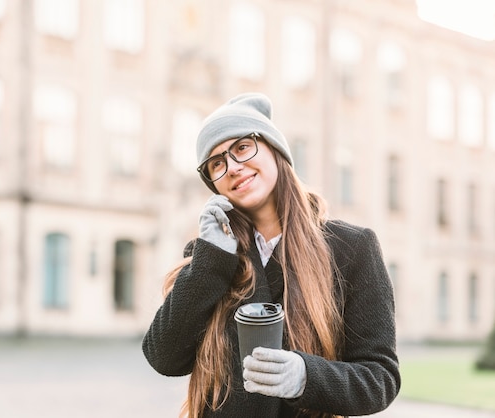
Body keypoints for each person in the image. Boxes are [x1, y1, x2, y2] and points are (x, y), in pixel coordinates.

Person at [142, 93, 400, 418]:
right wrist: (212, 261)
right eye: (217, 164)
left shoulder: (352, 248)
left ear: (274, 149)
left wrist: (306, 377)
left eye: (242, 147)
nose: (233, 168)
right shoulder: (210, 257)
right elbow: (163, 356)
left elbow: (380, 378)